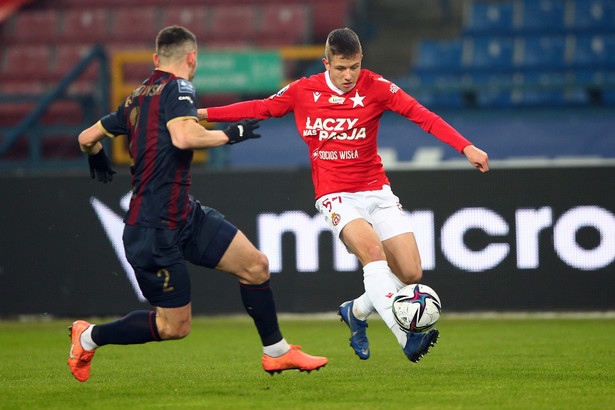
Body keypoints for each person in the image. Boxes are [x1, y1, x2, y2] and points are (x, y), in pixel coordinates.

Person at [199, 28, 489, 363]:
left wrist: (465, 146)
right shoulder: (303, 91)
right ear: (326, 63)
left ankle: (356, 311)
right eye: (340, 68)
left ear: (361, 61)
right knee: (371, 251)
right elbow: (262, 107)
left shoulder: (377, 87)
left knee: (411, 273)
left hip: (376, 189)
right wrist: (204, 115)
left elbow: (421, 115)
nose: (348, 75)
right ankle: (407, 337)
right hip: (335, 194)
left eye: (354, 67)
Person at [68, 26, 327, 382]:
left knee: (255, 266)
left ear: (157, 59)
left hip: (183, 214)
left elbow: (85, 137)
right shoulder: (180, 88)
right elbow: (184, 136)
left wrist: (95, 155)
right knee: (174, 326)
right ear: (192, 59)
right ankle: (89, 336)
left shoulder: (137, 96)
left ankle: (277, 352)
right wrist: (231, 133)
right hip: (153, 227)